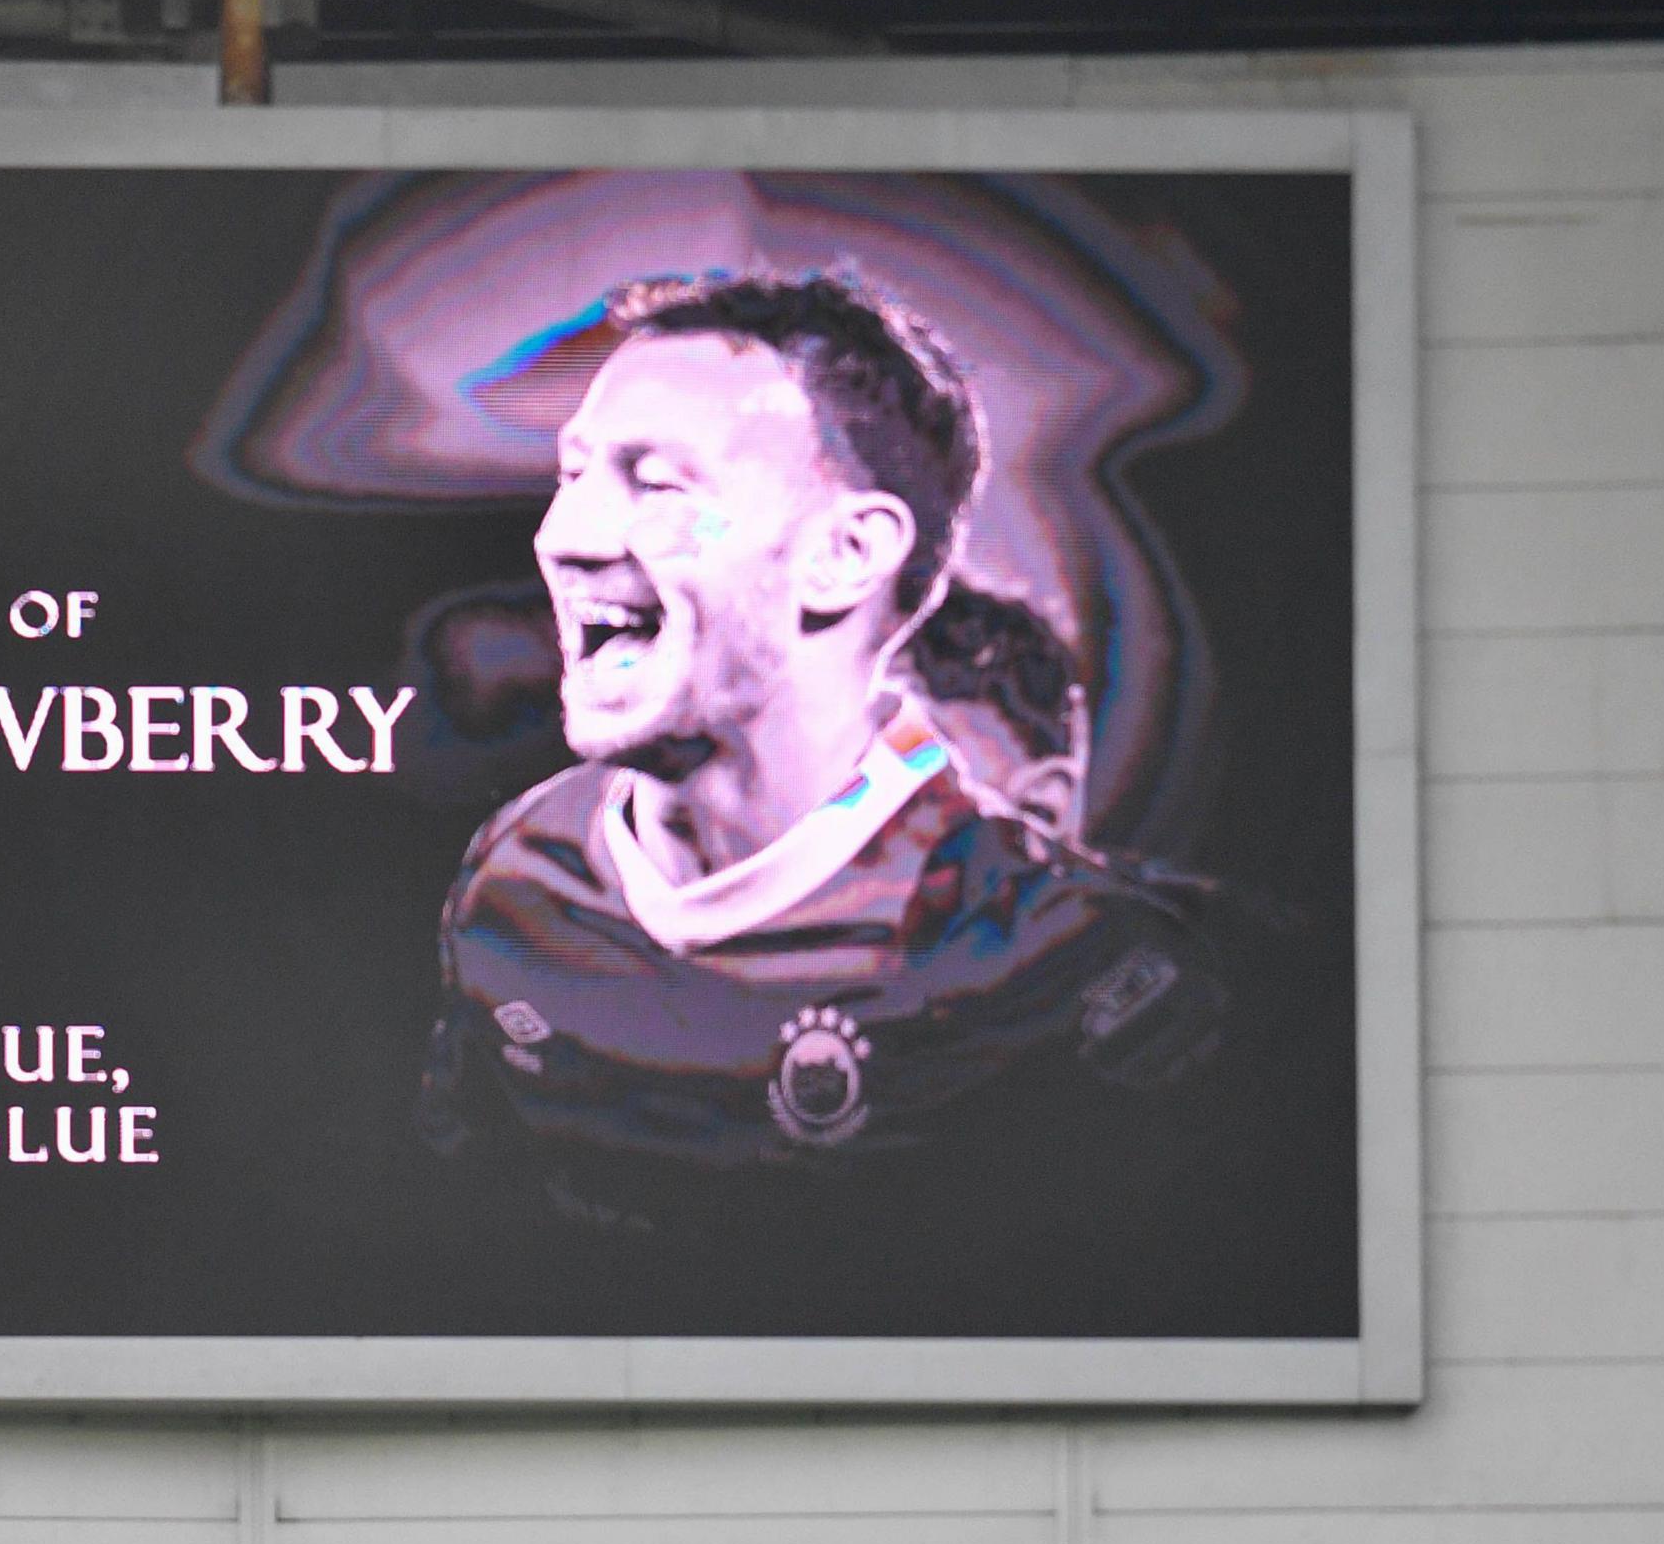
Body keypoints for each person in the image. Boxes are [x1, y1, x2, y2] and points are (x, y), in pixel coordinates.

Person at [418, 268, 1232, 1229]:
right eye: (574, 472)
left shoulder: (1065, 961)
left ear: (844, 555)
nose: (563, 536)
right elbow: (458, 1244)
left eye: (659, 483)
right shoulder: (511, 876)